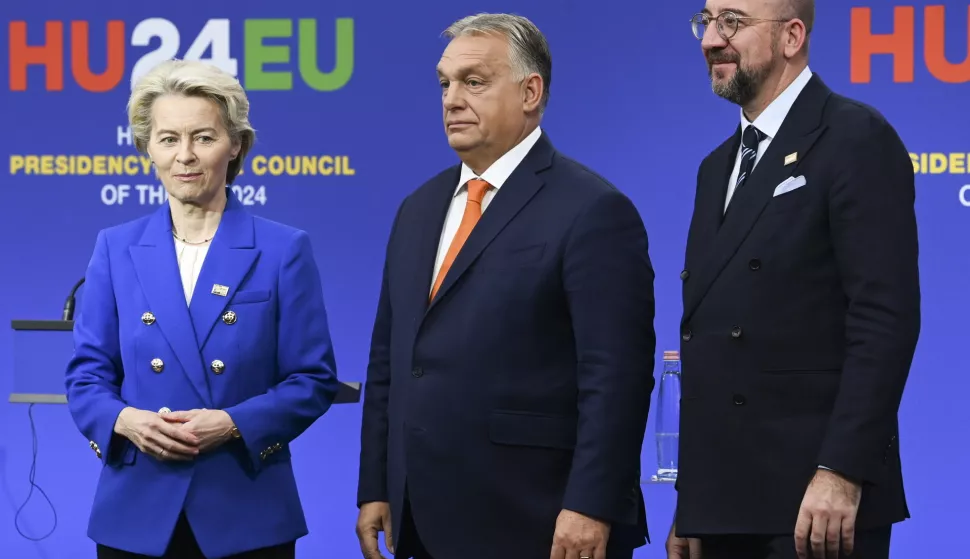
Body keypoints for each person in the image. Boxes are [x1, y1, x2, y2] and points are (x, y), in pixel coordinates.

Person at [355, 12, 656, 559]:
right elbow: (390, 362)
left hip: (538, 520)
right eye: (444, 83)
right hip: (419, 519)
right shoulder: (417, 209)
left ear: (530, 91)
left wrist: (592, 504)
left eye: (474, 81)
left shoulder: (593, 210)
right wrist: (376, 484)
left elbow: (617, 379)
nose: (451, 99)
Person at [667, 1, 920, 558]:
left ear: (792, 36)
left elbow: (884, 320)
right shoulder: (715, 168)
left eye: (731, 21)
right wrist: (692, 504)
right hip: (722, 509)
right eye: (705, 21)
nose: (711, 39)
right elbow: (707, 342)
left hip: (816, 508)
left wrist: (842, 470)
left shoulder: (855, 137)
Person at [64, 59, 340, 559]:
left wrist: (233, 423)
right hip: (138, 511)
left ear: (235, 144)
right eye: (168, 139)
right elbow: (86, 377)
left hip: (245, 509)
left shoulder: (282, 249)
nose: (185, 156)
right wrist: (125, 420)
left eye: (203, 137)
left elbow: (312, 380)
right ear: (147, 148)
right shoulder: (114, 247)